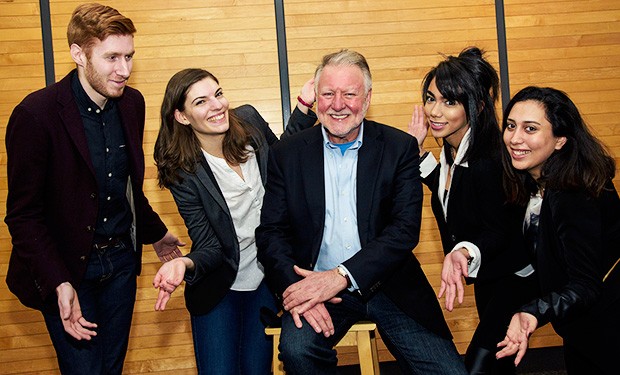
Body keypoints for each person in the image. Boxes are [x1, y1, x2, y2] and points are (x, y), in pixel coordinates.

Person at [255, 49, 468, 374]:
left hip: (390, 285)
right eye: (328, 94)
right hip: (316, 287)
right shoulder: (287, 154)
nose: (337, 104)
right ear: (318, 97)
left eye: (349, 94)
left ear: (367, 99)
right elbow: (271, 233)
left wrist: (341, 276)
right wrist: (293, 290)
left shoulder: (399, 148)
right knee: (297, 352)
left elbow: (404, 231)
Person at [4, 3, 184, 374]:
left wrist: (156, 233)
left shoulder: (132, 104)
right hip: (67, 270)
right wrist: (58, 282)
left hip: (119, 265)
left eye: (129, 56)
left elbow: (124, 187)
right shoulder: (35, 115)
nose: (124, 70)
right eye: (112, 57)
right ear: (78, 54)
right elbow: (23, 216)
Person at [151, 68, 312, 374]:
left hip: (266, 277)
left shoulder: (248, 121)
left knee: (256, 370)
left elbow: (282, 160)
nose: (217, 105)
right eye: (201, 102)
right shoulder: (183, 171)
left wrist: (304, 105)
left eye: (218, 93)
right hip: (219, 283)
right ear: (182, 117)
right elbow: (211, 244)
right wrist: (183, 264)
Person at [407, 47, 539, 374]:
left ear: (476, 107)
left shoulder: (489, 159)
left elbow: (498, 228)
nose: (435, 111)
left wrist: (463, 253)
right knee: (500, 364)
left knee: (481, 365)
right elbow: (452, 198)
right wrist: (419, 153)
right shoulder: (457, 151)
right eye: (431, 98)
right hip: (490, 276)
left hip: (518, 277)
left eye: (450, 102)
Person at [496, 86, 620, 374]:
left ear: (561, 140)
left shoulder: (573, 193)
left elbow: (585, 284)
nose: (515, 138)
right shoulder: (535, 180)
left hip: (607, 328)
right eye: (511, 126)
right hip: (584, 328)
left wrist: (533, 312)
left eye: (530, 129)